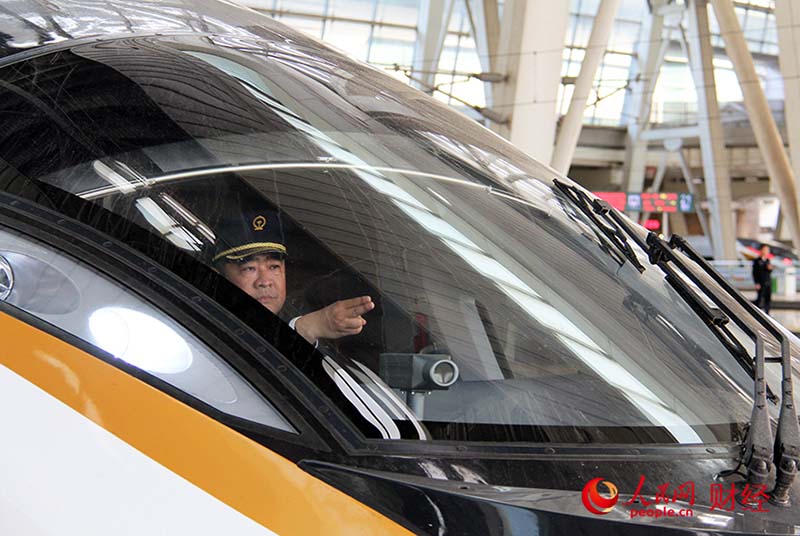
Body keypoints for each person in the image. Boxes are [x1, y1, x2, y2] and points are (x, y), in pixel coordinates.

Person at [212, 208, 374, 344]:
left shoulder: (290, 314)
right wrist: (304, 330)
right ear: (219, 276)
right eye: (249, 268)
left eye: (273, 266)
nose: (265, 281)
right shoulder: (203, 326)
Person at [752, 243, 773, 314]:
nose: (766, 251)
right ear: (761, 250)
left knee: (768, 298)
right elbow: (755, 273)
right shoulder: (757, 261)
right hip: (760, 283)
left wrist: (770, 269)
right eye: (765, 249)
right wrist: (756, 283)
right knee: (760, 298)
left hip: (768, 282)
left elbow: (769, 272)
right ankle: (756, 311)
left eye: (768, 250)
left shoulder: (768, 261)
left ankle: (767, 313)